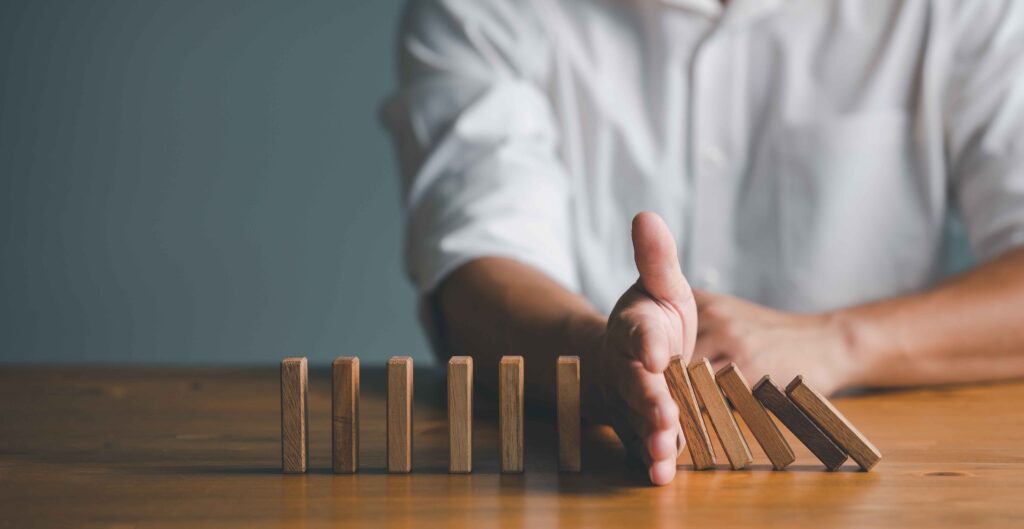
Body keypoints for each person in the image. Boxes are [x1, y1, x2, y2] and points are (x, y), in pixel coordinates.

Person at [381, 0, 1024, 485]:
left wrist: (841, 342)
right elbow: (474, 262)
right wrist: (606, 358)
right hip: (592, 474)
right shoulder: (480, 11)